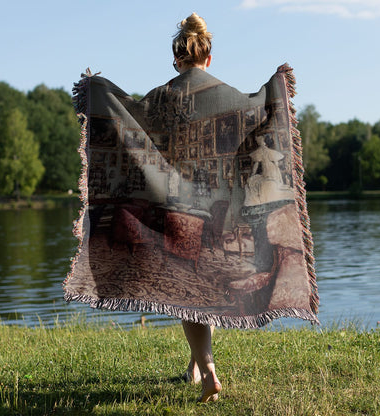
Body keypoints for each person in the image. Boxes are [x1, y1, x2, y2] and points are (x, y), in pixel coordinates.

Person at [171, 12, 222, 403]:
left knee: (189, 295)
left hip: (180, 207)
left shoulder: (164, 96)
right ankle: (193, 365)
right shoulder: (226, 94)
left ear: (177, 60)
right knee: (204, 289)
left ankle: (208, 372)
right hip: (220, 209)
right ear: (208, 58)